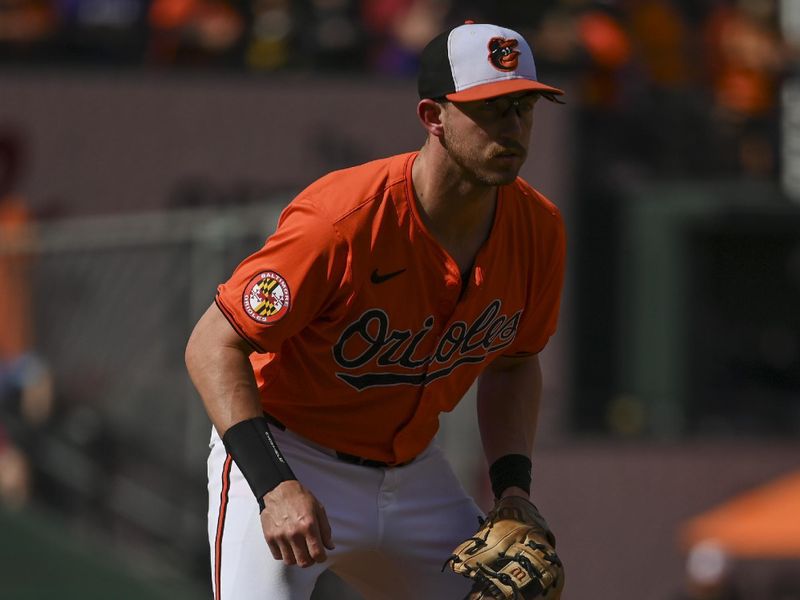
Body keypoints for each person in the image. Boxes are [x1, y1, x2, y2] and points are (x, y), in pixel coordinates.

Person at [185, 20, 567, 599]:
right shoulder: (341, 221)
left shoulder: (539, 230)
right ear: (433, 117)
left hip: (414, 474)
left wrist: (513, 488)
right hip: (290, 453)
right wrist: (273, 485)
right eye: (490, 109)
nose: (512, 128)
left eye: (523, 107)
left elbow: (515, 361)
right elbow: (213, 343)